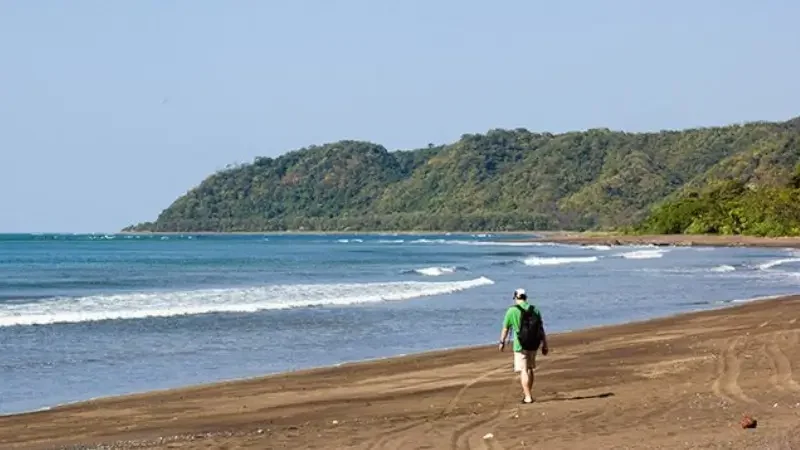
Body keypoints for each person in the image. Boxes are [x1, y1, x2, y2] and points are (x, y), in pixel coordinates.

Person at [499, 288, 548, 404]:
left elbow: (505, 328)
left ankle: (528, 397)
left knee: (524, 370)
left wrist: (502, 342)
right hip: (534, 343)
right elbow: (541, 329)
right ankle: (528, 393)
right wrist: (545, 344)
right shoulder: (535, 309)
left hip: (520, 345)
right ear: (525, 297)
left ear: (516, 298)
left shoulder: (511, 311)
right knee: (530, 369)